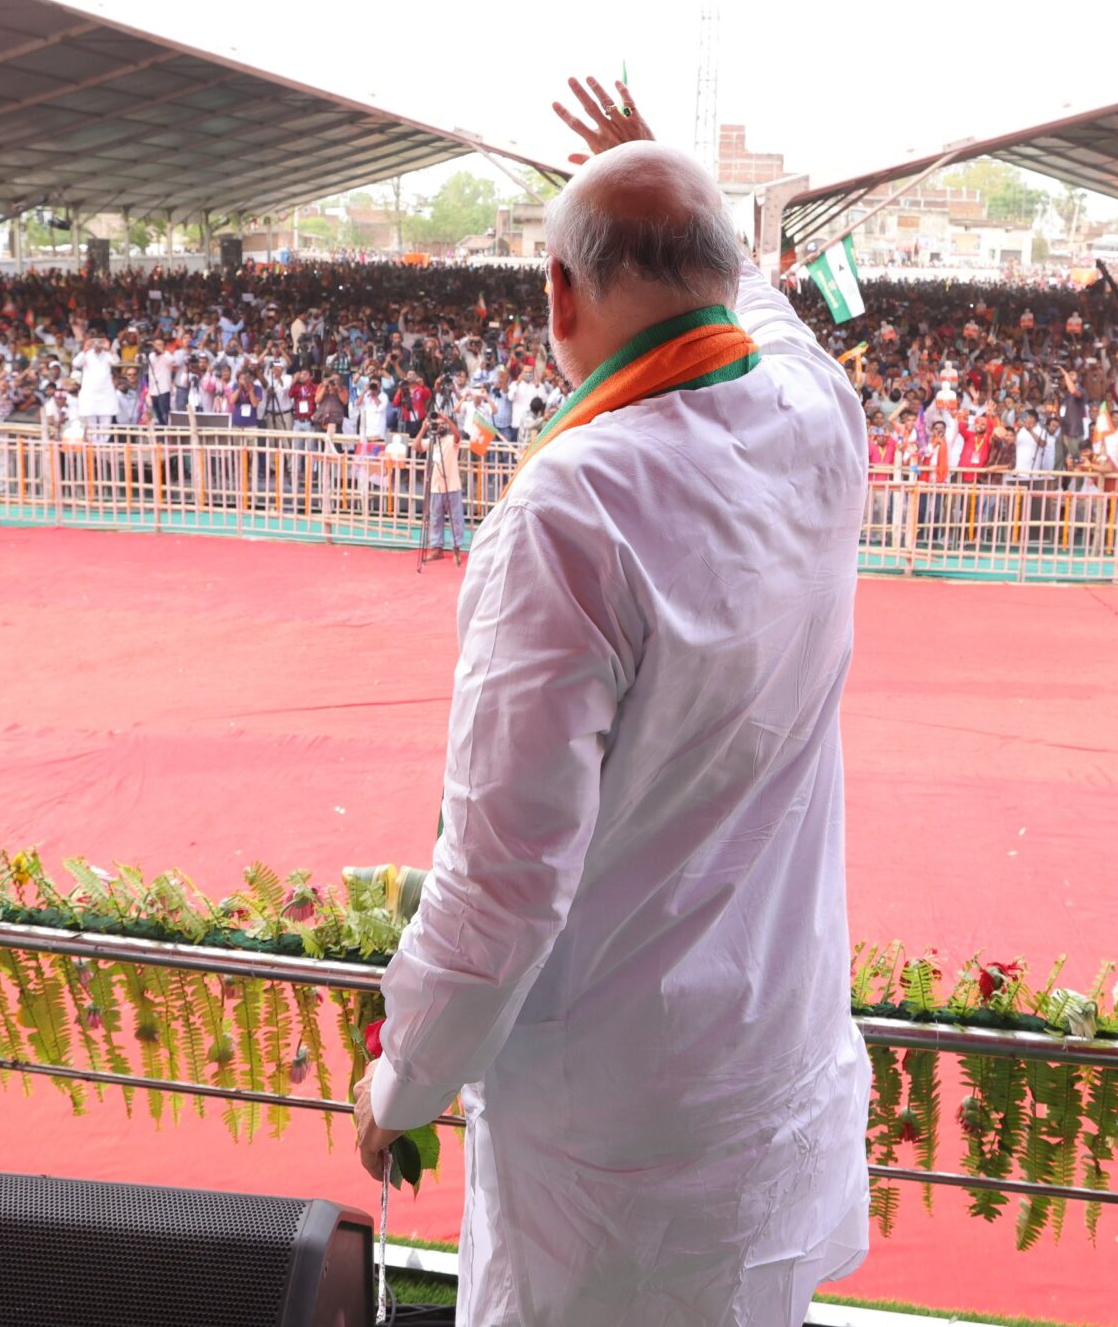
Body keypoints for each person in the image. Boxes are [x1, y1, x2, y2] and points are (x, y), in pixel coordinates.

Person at [355, 78, 871, 1326]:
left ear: (556, 298)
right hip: (769, 1056)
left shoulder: (570, 507)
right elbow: (768, 311)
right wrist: (663, 176)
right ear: (723, 265)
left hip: (615, 1126)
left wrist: (402, 1083)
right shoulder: (817, 414)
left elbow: (502, 877)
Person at [415, 411, 467, 571]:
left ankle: (456, 549)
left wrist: (447, 419)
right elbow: (416, 446)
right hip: (435, 487)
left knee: (455, 519)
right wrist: (424, 428)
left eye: (442, 424)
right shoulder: (431, 441)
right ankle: (436, 549)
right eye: (438, 424)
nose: (440, 426)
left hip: (452, 486)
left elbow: (458, 435)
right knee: (435, 519)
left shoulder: (451, 440)